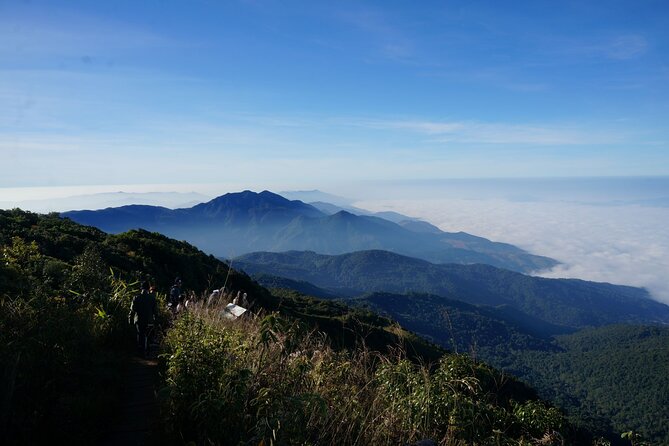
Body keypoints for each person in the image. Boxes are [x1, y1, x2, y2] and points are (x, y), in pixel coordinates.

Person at [129, 281, 157, 356]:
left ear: (141, 288)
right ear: (149, 288)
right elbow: (155, 312)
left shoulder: (136, 298)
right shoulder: (152, 298)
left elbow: (132, 311)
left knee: (140, 334)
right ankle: (147, 351)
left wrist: (130, 320)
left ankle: (140, 351)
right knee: (147, 335)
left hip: (139, 320)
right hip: (149, 321)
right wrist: (156, 321)